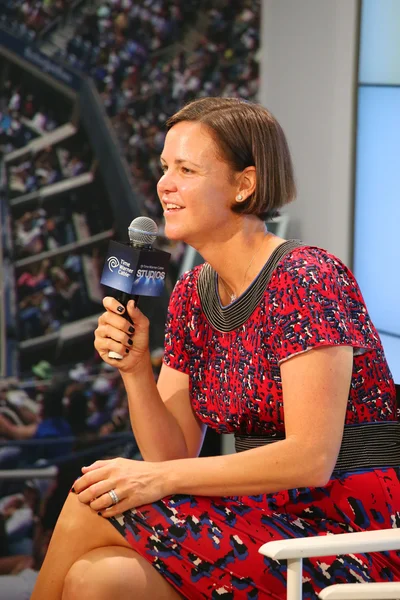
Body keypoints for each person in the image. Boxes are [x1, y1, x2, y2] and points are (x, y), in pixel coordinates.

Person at [31, 97, 400, 600]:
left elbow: (312, 458)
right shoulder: (193, 293)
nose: (165, 184)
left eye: (186, 169)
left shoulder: (306, 278)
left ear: (244, 184)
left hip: (345, 529)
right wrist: (136, 369)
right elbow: (173, 452)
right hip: (262, 513)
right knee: (97, 581)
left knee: (94, 498)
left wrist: (158, 481)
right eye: (165, 168)